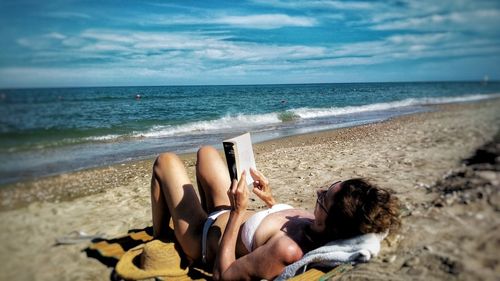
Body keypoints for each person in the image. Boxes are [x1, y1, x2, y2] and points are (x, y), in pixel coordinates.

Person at [150, 146, 400, 280]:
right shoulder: (316, 222)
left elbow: (222, 275)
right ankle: (194, 211)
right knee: (207, 152)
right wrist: (270, 200)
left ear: (331, 222)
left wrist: (238, 212)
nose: (318, 191)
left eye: (323, 197)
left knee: (165, 160)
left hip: (202, 237)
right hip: (224, 212)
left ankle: (159, 234)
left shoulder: (288, 250)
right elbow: (269, 228)